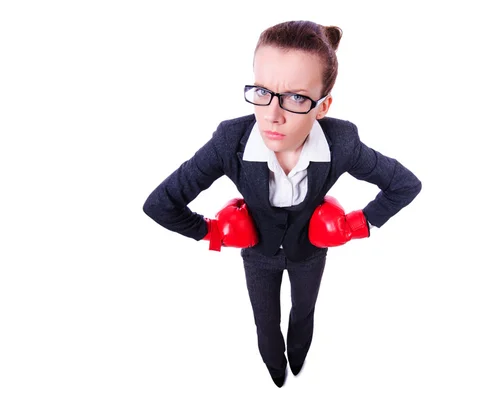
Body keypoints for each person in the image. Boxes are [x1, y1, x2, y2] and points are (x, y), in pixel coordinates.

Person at [142, 20, 422, 388]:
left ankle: (300, 361)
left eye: (296, 97)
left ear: (322, 107)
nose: (273, 114)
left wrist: (357, 225)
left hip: (309, 254)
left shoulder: (342, 143)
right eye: (262, 91)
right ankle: (276, 373)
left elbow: (405, 184)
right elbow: (160, 203)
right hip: (258, 256)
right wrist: (212, 232)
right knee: (265, 321)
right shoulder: (232, 141)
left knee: (304, 314)